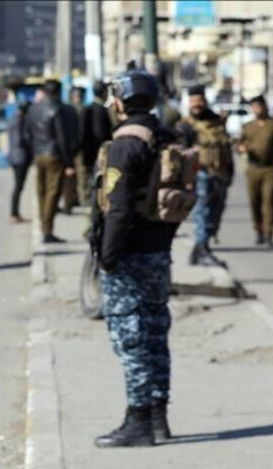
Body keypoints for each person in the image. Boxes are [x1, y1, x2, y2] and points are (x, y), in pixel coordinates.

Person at [94, 65, 179, 448]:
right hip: (158, 249)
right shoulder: (164, 135)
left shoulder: (126, 144)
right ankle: (159, 417)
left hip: (129, 253)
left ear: (122, 101)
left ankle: (139, 420)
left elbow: (118, 207)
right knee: (156, 332)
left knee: (131, 338)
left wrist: (107, 257)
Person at [178, 85, 234, 266]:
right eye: (193, 101)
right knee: (202, 211)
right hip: (199, 174)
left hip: (219, 174)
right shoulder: (186, 125)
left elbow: (226, 148)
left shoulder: (217, 122)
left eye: (199, 100)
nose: (197, 104)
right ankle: (201, 247)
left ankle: (202, 248)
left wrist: (230, 172)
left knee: (215, 212)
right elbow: (180, 155)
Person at [25, 79, 78, 243]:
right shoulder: (57, 109)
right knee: (52, 193)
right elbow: (62, 138)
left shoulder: (34, 109)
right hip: (54, 155)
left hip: (38, 154)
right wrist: (69, 163)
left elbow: (27, 134)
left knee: (41, 191)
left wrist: (34, 151)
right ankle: (47, 230)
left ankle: (43, 225)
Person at [238, 95, 273, 247]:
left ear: (265, 107)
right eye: (253, 107)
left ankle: (268, 234)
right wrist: (241, 148)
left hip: (271, 168)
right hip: (253, 168)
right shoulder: (247, 126)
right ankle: (258, 231)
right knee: (254, 202)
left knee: (268, 201)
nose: (256, 110)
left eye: (258, 107)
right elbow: (239, 143)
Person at [80, 82, 113, 204]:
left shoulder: (86, 108)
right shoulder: (100, 110)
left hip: (87, 152)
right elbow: (100, 133)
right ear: (104, 93)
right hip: (98, 152)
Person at [7, 100, 32, 223]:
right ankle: (14, 213)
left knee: (18, 186)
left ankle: (15, 212)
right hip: (20, 158)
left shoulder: (13, 118)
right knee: (18, 186)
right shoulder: (18, 121)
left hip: (15, 156)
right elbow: (19, 140)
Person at [61, 87, 85, 212]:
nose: (78, 98)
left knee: (77, 175)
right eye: (76, 96)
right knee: (71, 176)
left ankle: (73, 199)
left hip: (75, 146)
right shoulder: (69, 110)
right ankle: (69, 202)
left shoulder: (77, 109)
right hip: (71, 147)